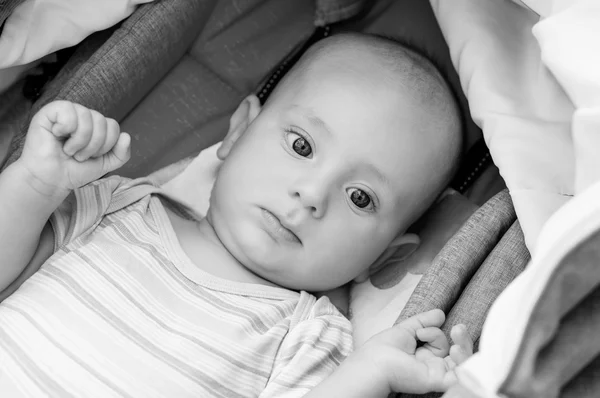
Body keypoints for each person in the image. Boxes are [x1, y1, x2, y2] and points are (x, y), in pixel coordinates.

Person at [0, 33, 470, 397]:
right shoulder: (115, 206)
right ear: (240, 129)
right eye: (302, 146)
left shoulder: (307, 337)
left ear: (384, 256)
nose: (311, 194)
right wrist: (34, 185)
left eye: (361, 197)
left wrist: (371, 373)